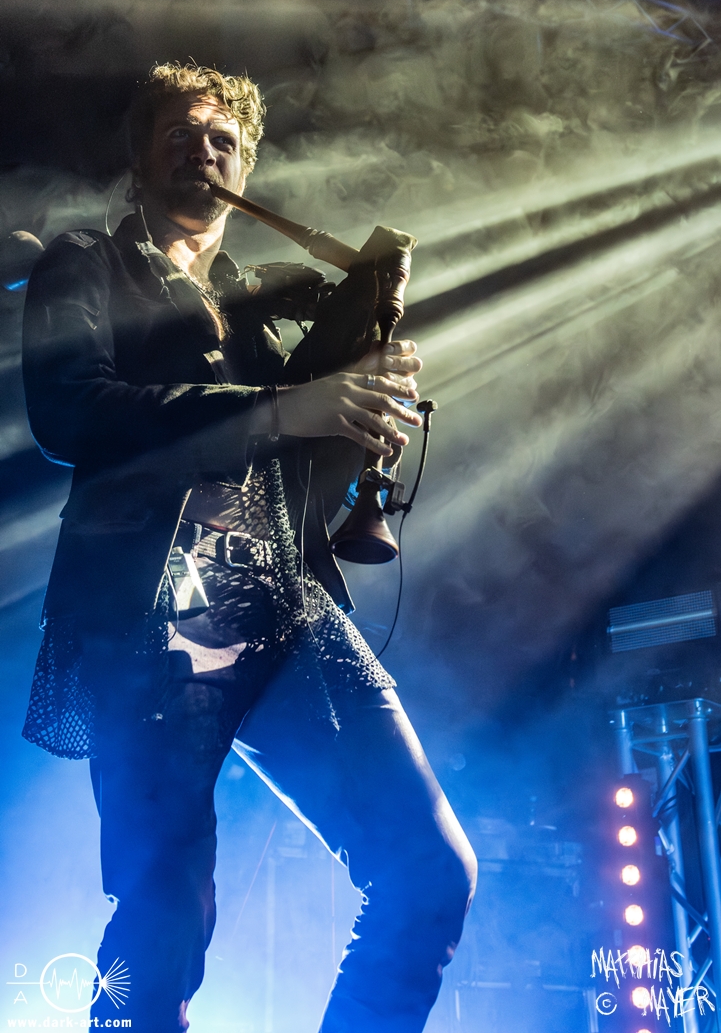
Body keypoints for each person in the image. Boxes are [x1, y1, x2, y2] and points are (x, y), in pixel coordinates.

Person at [21, 63, 477, 1033]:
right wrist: (281, 407)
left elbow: (297, 472)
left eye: (224, 140)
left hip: (280, 601)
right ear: (140, 163)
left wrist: (356, 417)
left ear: (247, 167)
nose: (206, 151)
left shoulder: (257, 309)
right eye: (182, 134)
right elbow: (69, 410)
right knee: (161, 917)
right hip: (148, 610)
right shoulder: (86, 260)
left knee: (430, 871)